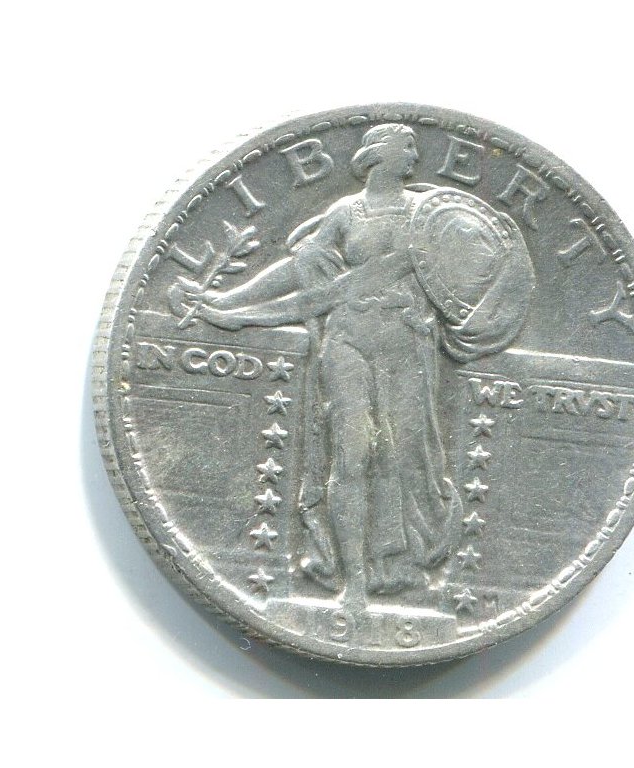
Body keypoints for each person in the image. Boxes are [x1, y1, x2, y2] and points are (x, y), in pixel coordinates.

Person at [169, 124, 527, 610]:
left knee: (404, 460)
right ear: (378, 156)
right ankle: (353, 581)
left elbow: (475, 271)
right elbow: (300, 271)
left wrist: (235, 313)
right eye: (406, 148)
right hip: (348, 340)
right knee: (351, 456)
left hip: (407, 345)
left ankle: (394, 566)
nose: (414, 155)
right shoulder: (345, 212)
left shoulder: (430, 216)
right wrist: (226, 301)